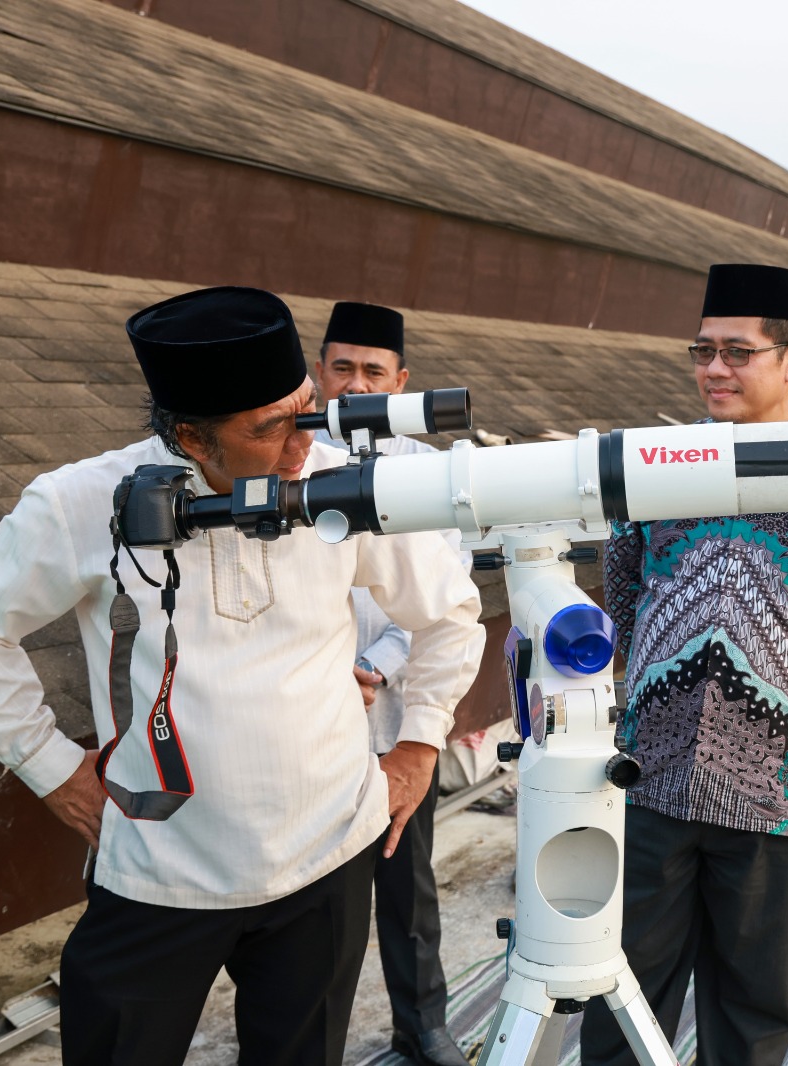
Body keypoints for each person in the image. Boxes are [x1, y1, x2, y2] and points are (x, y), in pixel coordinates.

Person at [0, 287, 486, 1065]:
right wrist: (51, 768)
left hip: (324, 859)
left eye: (304, 411)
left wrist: (420, 745)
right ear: (191, 435)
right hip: (161, 868)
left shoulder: (336, 484)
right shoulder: (84, 502)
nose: (300, 445)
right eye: (268, 431)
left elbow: (451, 611)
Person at [585, 264, 788, 1066]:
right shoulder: (658, 465)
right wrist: (663, 690)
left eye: (738, 352)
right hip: (651, 784)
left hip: (780, 802)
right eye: (703, 351)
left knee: (753, 1011)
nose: (715, 369)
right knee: (622, 991)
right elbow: (624, 591)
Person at [314, 301, 471, 1066]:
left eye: (374, 371)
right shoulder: (294, 457)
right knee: (313, 904)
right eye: (342, 367)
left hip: (401, 714)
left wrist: (376, 666)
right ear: (320, 374)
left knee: (407, 884)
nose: (357, 383)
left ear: (401, 380)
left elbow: (448, 597)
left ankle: (424, 1024)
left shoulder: (432, 476)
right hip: (312, 714)